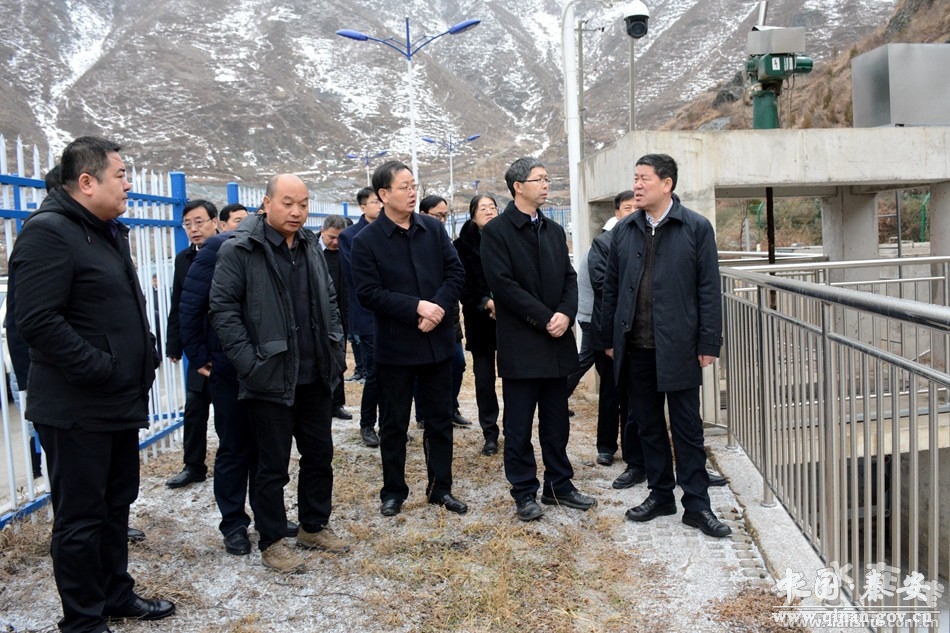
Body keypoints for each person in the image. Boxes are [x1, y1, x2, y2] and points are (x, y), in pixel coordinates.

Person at [10, 136, 175, 631]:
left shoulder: (104, 231)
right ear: (86, 182)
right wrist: (101, 366)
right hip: (76, 407)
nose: (128, 184)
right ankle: (83, 620)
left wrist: (143, 352)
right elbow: (36, 321)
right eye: (120, 175)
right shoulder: (49, 233)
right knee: (81, 518)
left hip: (116, 401)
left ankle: (115, 595)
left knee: (115, 505)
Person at [210, 174, 349, 573]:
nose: (296, 211)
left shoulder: (308, 245)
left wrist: (335, 346)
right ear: (267, 203)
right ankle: (272, 539)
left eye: (303, 204)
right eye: (288, 203)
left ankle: (313, 525)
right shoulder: (241, 248)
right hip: (269, 376)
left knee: (319, 455)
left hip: (315, 373)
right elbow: (223, 310)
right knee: (271, 465)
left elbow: (330, 299)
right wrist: (251, 364)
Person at [602, 153, 731, 538]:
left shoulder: (696, 227)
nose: (637, 185)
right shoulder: (625, 230)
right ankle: (660, 495)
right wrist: (609, 338)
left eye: (644, 178)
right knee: (648, 425)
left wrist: (709, 341)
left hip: (679, 346)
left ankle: (697, 505)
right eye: (635, 178)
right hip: (636, 345)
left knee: (688, 429)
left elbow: (709, 289)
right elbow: (611, 289)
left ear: (667, 184)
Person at [481, 157, 596, 522]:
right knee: (518, 424)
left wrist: (566, 313)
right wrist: (547, 317)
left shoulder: (553, 230)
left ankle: (559, 485)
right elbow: (503, 286)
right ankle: (523, 491)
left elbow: (569, 278)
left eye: (548, 179)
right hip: (522, 343)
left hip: (557, 341)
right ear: (518, 186)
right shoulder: (497, 232)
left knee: (557, 421)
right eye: (539, 179)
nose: (546, 185)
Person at [350, 161, 468, 517]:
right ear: (384, 194)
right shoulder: (367, 241)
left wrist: (438, 309)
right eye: (404, 187)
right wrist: (417, 307)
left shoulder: (432, 229)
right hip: (396, 347)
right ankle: (393, 491)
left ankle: (440, 488)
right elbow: (368, 293)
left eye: (414, 185)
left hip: (436, 343)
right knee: (394, 424)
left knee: (439, 420)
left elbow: (455, 273)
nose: (412, 192)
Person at [588, 190, 646, 487]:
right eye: (627, 207)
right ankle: (606, 447)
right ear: (616, 212)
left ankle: (634, 452)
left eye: (636, 207)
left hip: (637, 332)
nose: (632, 211)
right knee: (611, 392)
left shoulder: (645, 238)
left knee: (634, 397)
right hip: (609, 329)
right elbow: (602, 283)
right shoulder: (603, 243)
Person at [165, 199, 219, 489]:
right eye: (188, 224)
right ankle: (193, 465)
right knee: (195, 408)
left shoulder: (230, 252)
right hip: (198, 349)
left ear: (215, 222)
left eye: (199, 222)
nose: (194, 229)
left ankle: (231, 461)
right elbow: (179, 303)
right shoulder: (184, 259)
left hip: (225, 347)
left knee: (228, 413)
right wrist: (174, 344)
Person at [417, 194, 472, 429]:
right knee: (423, 370)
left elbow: (456, 275)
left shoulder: (445, 240)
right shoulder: (416, 240)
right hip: (423, 315)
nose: (441, 220)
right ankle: (423, 414)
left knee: (457, 364)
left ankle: (451, 408)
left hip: (449, 316)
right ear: (423, 214)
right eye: (437, 215)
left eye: (445, 216)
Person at [453, 193, 501, 456]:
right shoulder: (461, 245)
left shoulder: (508, 239)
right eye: (483, 208)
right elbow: (461, 283)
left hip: (510, 319)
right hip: (480, 319)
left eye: (493, 207)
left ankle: (514, 429)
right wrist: (486, 303)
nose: (489, 211)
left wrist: (504, 304)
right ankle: (490, 433)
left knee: (515, 379)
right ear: (473, 216)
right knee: (484, 380)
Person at [338, 187, 382, 447]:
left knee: (395, 373)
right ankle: (367, 424)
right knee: (375, 371)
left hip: (394, 314)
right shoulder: (350, 236)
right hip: (367, 315)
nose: (380, 205)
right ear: (363, 207)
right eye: (374, 202)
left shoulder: (389, 230)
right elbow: (358, 274)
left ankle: (389, 423)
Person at [317, 214, 353, 421]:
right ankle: (320, 404)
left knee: (338, 360)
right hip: (317, 315)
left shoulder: (346, 251)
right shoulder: (311, 250)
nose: (335, 242)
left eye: (340, 238)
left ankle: (337, 403)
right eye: (331, 237)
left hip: (340, 315)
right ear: (322, 231)